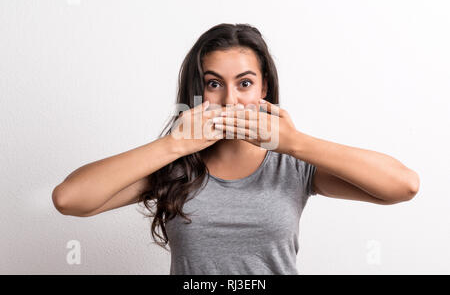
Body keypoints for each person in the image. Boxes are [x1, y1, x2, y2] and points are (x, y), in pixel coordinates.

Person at [52, 23, 420, 275]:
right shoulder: (175, 165)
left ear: (264, 89)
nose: (230, 99)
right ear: (198, 91)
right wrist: (173, 144)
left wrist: (293, 141)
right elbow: (70, 199)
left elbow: (403, 186)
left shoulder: (292, 165)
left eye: (244, 83)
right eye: (214, 84)